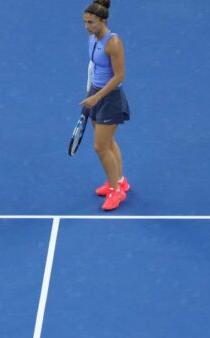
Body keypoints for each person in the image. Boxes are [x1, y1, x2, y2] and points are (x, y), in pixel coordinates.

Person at [81, 0, 130, 211]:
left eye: (91, 22)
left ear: (103, 21)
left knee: (100, 147)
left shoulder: (114, 43)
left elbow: (119, 76)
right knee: (108, 142)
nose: (87, 26)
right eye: (85, 22)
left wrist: (97, 96)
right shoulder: (92, 39)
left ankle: (115, 191)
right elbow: (92, 67)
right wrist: (89, 93)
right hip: (95, 93)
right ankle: (119, 181)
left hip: (110, 98)